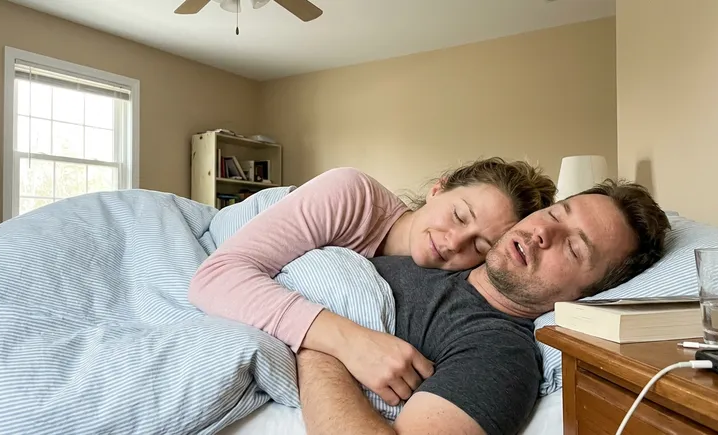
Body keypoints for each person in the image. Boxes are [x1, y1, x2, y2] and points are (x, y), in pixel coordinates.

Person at [295, 179, 671, 435]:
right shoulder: (441, 252)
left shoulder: (500, 354)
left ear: (585, 294)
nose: (545, 233)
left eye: (574, 249)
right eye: (557, 214)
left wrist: (317, 341)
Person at [189, 157, 557, 403]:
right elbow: (215, 277)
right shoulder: (350, 194)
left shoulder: (450, 286)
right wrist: (351, 343)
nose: (453, 242)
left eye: (480, 244)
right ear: (438, 189)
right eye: (459, 216)